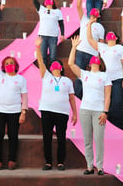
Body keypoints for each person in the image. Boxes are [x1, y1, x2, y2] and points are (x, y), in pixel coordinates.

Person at [68, 35, 111, 176]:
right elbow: (70, 64)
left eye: (96, 61)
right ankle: (89, 166)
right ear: (89, 64)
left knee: (98, 139)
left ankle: (100, 166)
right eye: (93, 61)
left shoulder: (105, 76)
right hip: (85, 109)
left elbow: (107, 96)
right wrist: (74, 47)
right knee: (87, 139)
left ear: (99, 63)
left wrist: (105, 111)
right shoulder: (84, 74)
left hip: (99, 111)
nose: (94, 63)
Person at [0, 40, 28, 170]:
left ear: (15, 65)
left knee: (13, 136)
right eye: (7, 63)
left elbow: (24, 97)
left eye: (11, 63)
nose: (9, 65)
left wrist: (23, 112)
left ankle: (12, 160)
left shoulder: (21, 79)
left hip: (15, 112)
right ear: (3, 66)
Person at [35, 37, 77, 171]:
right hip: (47, 110)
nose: (55, 66)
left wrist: (75, 113)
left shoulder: (67, 81)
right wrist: (37, 47)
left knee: (61, 137)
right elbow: (41, 62)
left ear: (61, 68)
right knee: (47, 137)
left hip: (62, 112)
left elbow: (72, 99)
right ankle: (48, 162)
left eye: (57, 64)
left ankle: (60, 162)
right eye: (53, 64)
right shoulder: (46, 76)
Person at [87, 21, 123, 130]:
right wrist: (89, 25)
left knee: (116, 104)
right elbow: (90, 40)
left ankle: (118, 128)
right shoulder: (102, 47)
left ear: (116, 38)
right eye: (108, 35)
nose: (110, 36)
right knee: (106, 105)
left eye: (112, 35)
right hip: (105, 81)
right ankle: (108, 128)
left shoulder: (121, 48)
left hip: (118, 79)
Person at [74, 0, 105, 100]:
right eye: (92, 15)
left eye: (95, 15)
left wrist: (100, 56)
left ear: (98, 17)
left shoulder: (100, 27)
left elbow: (101, 43)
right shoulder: (84, 20)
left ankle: (87, 99)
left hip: (93, 54)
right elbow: (78, 6)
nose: (93, 17)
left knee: (91, 78)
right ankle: (77, 98)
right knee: (79, 76)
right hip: (81, 51)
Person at [33, 0, 65, 68]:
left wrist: (62, 34)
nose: (49, 3)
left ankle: (53, 72)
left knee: (52, 57)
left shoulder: (58, 11)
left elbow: (61, 23)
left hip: (53, 36)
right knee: (43, 56)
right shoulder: (41, 9)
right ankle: (44, 74)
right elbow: (35, 1)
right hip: (42, 35)